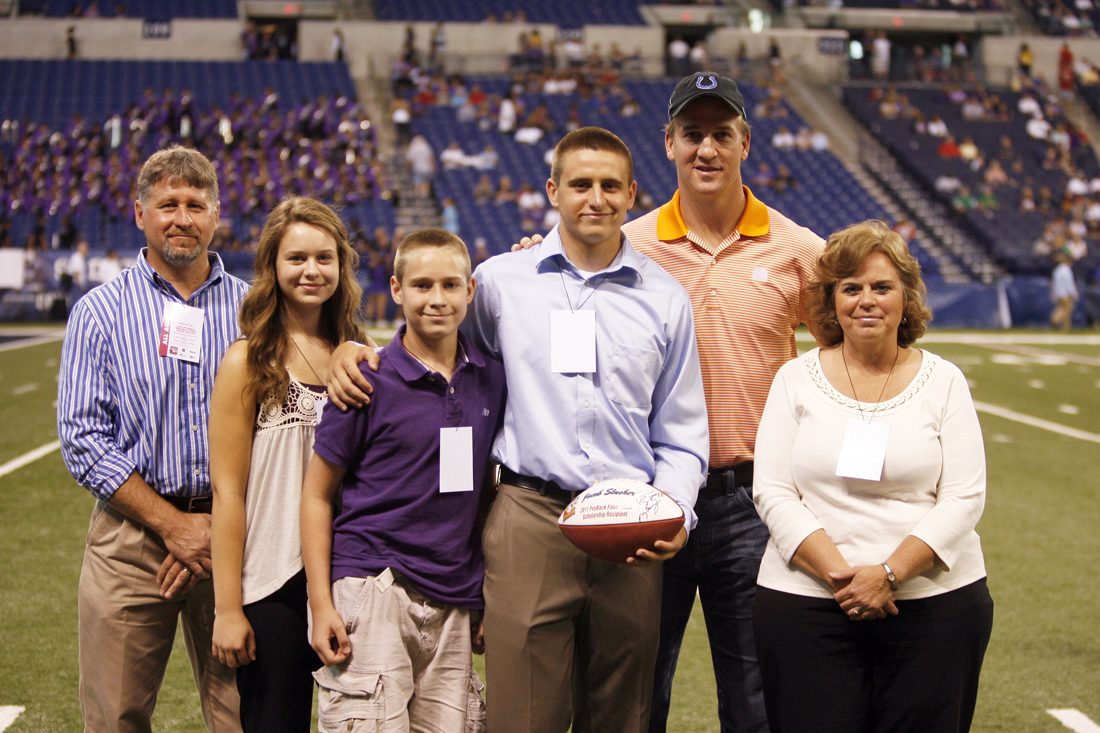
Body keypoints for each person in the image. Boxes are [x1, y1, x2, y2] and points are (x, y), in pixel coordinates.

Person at [326, 127, 710, 733]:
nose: (596, 198)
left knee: (623, 715)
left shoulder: (665, 298)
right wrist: (357, 350)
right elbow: (439, 352)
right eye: (580, 184)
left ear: (632, 194)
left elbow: (683, 432)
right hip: (530, 516)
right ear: (552, 191)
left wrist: (676, 514)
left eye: (611, 186)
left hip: (631, 526)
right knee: (520, 718)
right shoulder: (502, 281)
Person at [512, 73, 824, 733]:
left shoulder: (799, 250)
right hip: (641, 495)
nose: (706, 148)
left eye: (721, 134)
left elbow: (842, 359)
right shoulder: (631, 245)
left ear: (746, 143)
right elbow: (552, 279)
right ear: (670, 143)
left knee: (756, 693)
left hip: (751, 496)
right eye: (692, 134)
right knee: (635, 688)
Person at [752, 219, 994, 732]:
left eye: (882, 287)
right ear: (830, 300)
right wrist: (847, 580)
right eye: (851, 288)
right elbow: (772, 491)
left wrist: (887, 575)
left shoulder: (944, 380)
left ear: (905, 297)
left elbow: (964, 497)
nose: (867, 300)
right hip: (807, 605)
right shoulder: (794, 377)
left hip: (933, 606)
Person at [57, 147, 248, 732]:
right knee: (116, 717)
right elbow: (83, 437)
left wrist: (212, 528)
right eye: (168, 204)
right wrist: (174, 525)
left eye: (196, 204)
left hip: (236, 538)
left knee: (245, 717)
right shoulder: (99, 312)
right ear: (139, 213)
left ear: (216, 215)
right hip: (133, 541)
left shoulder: (254, 309)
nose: (182, 217)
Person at [302, 228, 504, 732]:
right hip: (373, 586)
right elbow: (316, 494)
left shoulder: (492, 379)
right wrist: (321, 602)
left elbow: (486, 492)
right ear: (396, 289)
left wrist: (479, 592)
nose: (436, 299)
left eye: (450, 286)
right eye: (421, 286)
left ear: (470, 291)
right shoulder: (365, 378)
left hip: (454, 595)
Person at [208, 198, 368, 732]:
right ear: (272, 267)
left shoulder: (362, 353)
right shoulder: (247, 360)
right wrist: (228, 608)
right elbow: (228, 494)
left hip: (349, 574)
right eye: (296, 257)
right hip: (272, 579)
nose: (311, 270)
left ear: (341, 266)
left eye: (325, 258)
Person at [1050, 247, 1079, 331]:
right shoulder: (1066, 270)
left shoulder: (1057, 270)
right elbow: (1069, 284)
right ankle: (1054, 319)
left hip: (1059, 294)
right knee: (1066, 310)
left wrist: (1054, 294)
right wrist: (1074, 293)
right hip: (1065, 294)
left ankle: (1065, 329)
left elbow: (1053, 284)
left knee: (1067, 313)